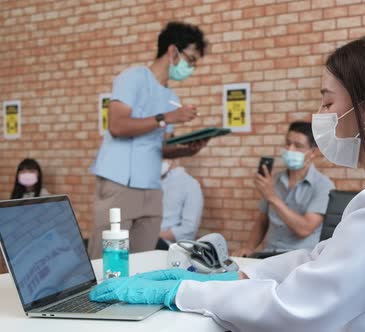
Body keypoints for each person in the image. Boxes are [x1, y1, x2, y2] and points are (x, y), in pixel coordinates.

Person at [90, 35, 365, 331]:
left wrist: (184, 293)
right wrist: (237, 276)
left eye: (327, 102)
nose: (320, 114)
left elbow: (296, 309)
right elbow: (322, 260)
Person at [87, 21, 209, 259]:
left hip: (152, 189)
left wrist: (187, 151)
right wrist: (168, 117)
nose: (191, 67)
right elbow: (117, 126)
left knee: (141, 263)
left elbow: (158, 146)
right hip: (120, 183)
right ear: (173, 51)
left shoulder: (172, 97)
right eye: (191, 60)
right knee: (107, 263)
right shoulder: (132, 78)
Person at [233, 121, 335, 258]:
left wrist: (272, 197)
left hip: (299, 259)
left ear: (313, 152)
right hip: (267, 255)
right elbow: (262, 220)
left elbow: (304, 229)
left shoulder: (324, 186)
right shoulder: (273, 180)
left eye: (298, 146)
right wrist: (249, 247)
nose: (290, 150)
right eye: (288, 143)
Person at [156, 159, 204, 250]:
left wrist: (154, 234)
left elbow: (189, 229)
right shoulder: (151, 183)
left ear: (171, 159)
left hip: (168, 244)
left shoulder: (190, 184)